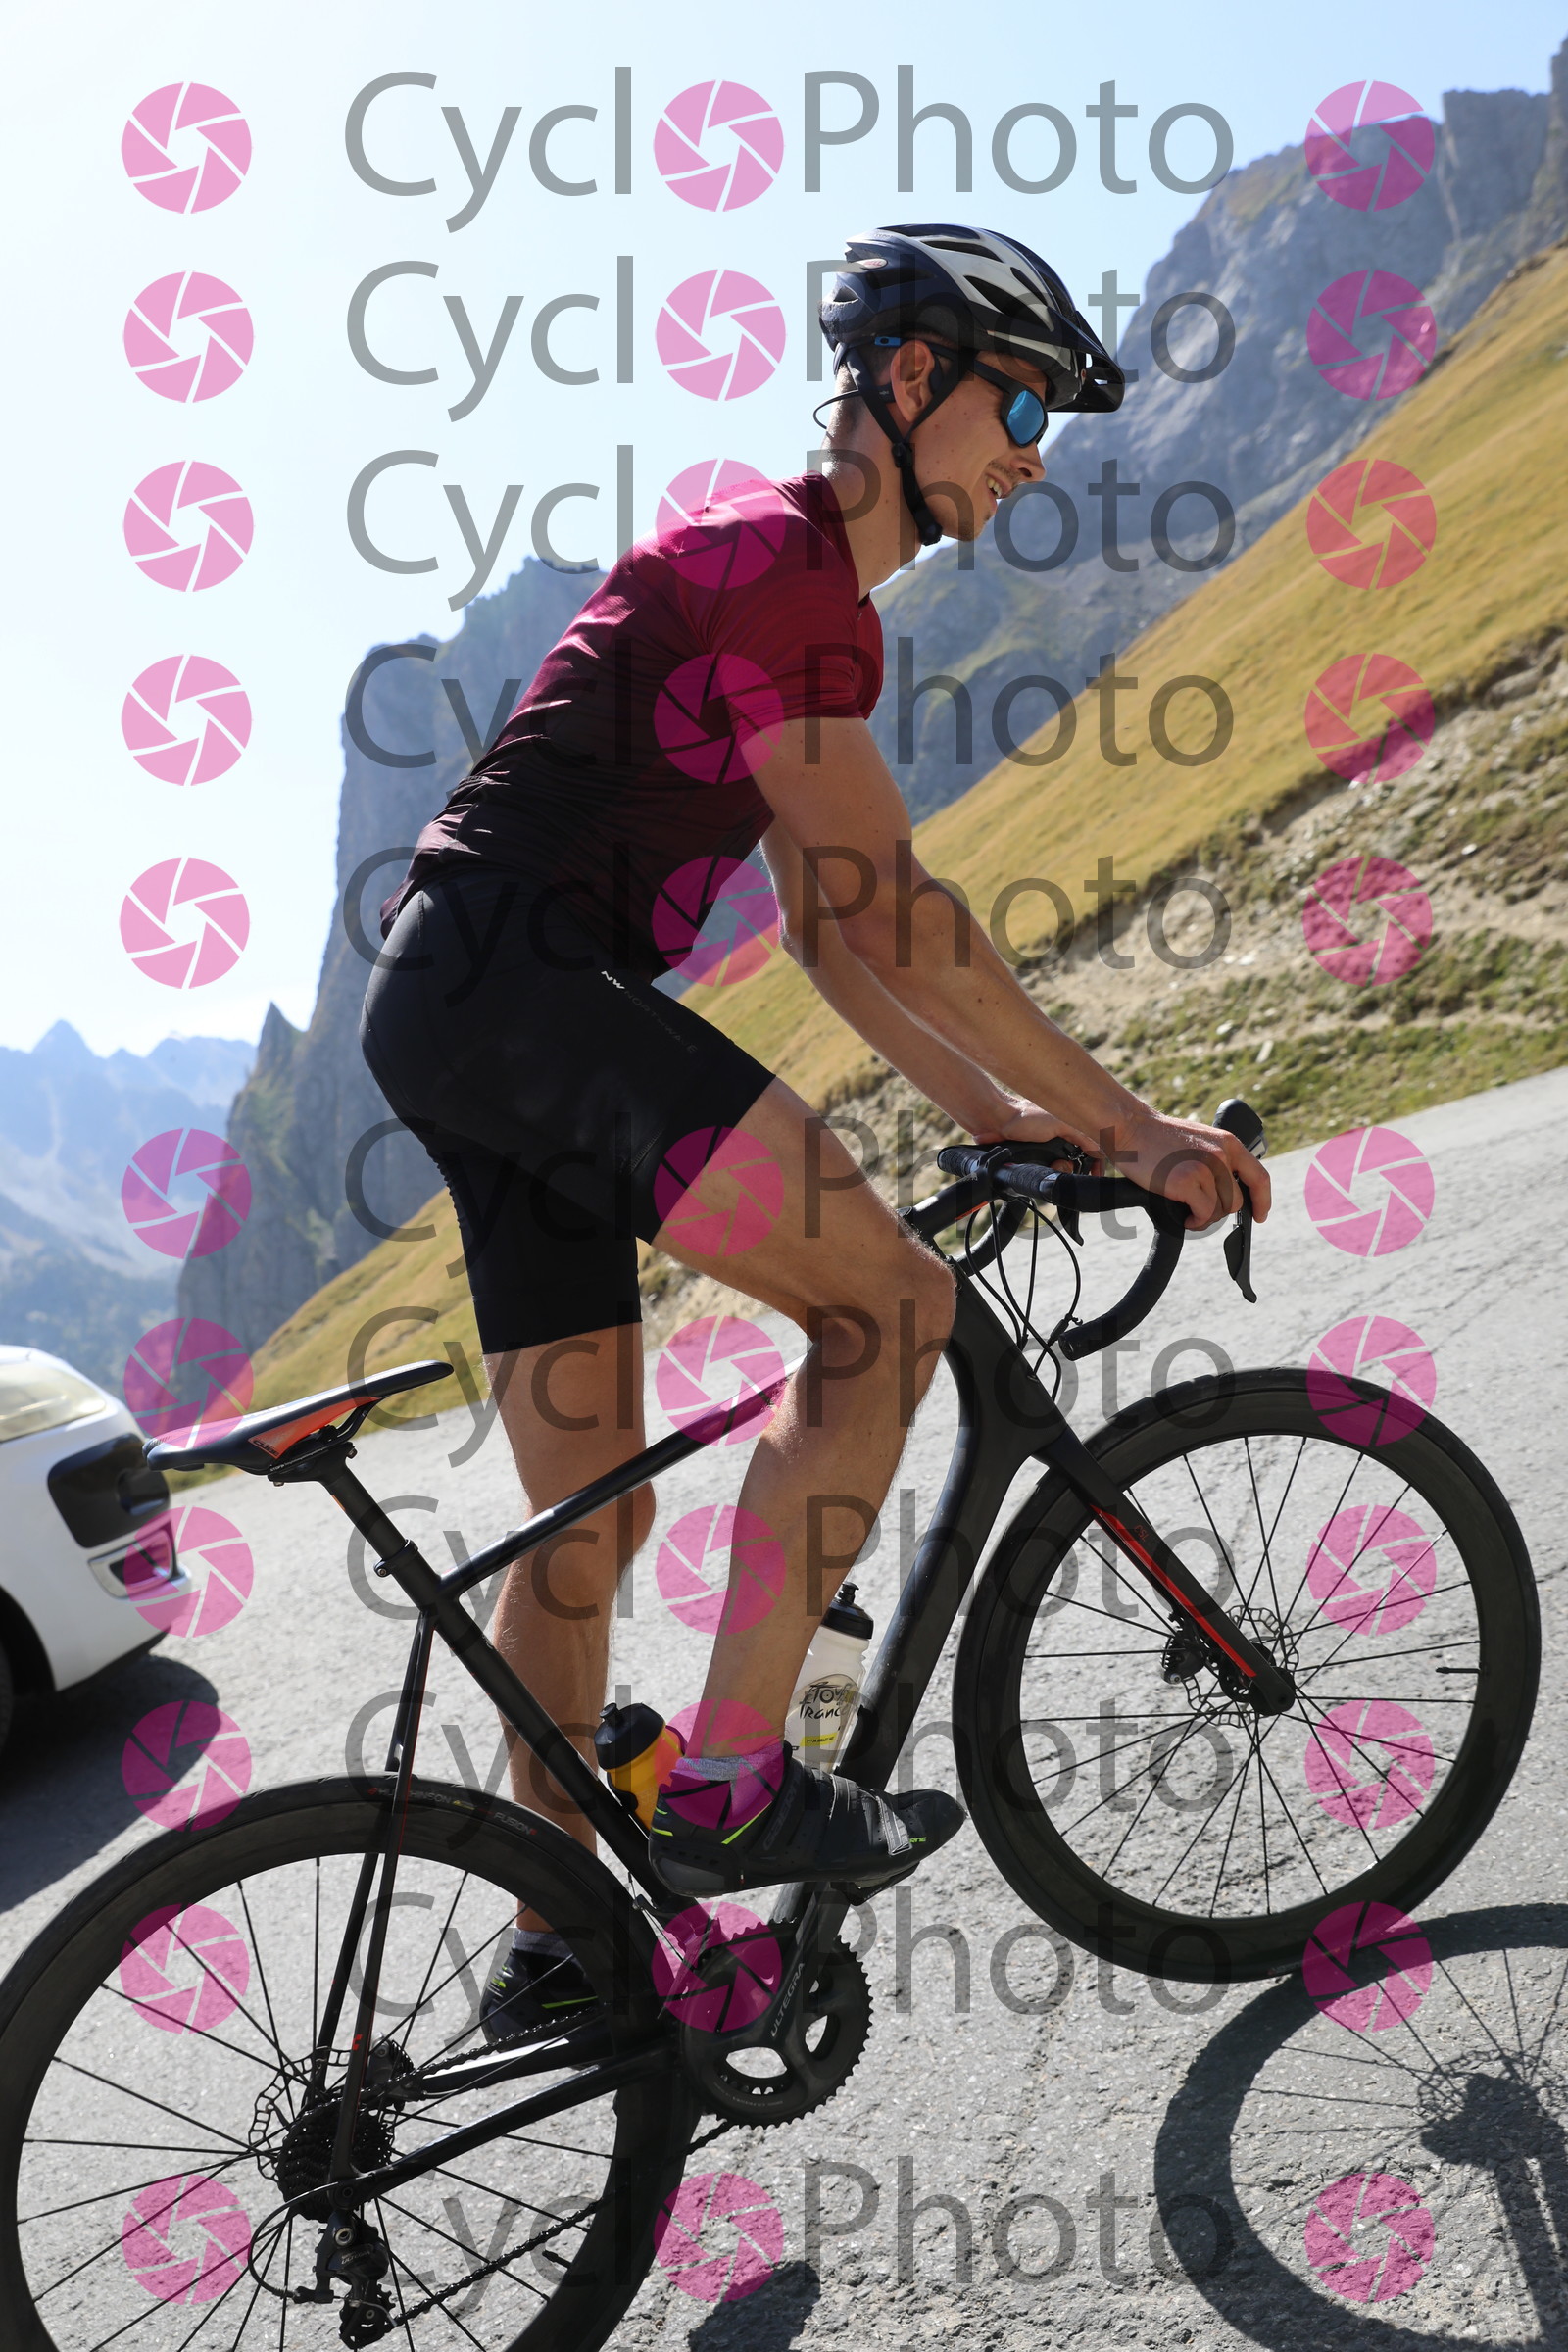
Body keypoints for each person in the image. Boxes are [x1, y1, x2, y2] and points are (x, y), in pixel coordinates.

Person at [361, 223, 1270, 2037]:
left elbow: (831, 939)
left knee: (588, 1524)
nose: (1034, 457)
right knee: (889, 1309)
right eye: (1022, 407)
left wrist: (1017, 1121)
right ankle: (729, 1782)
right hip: (530, 989)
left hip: (453, 1008)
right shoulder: (785, 573)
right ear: (911, 379)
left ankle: (551, 1943)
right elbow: (900, 908)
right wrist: (1132, 1128)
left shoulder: (779, 585)